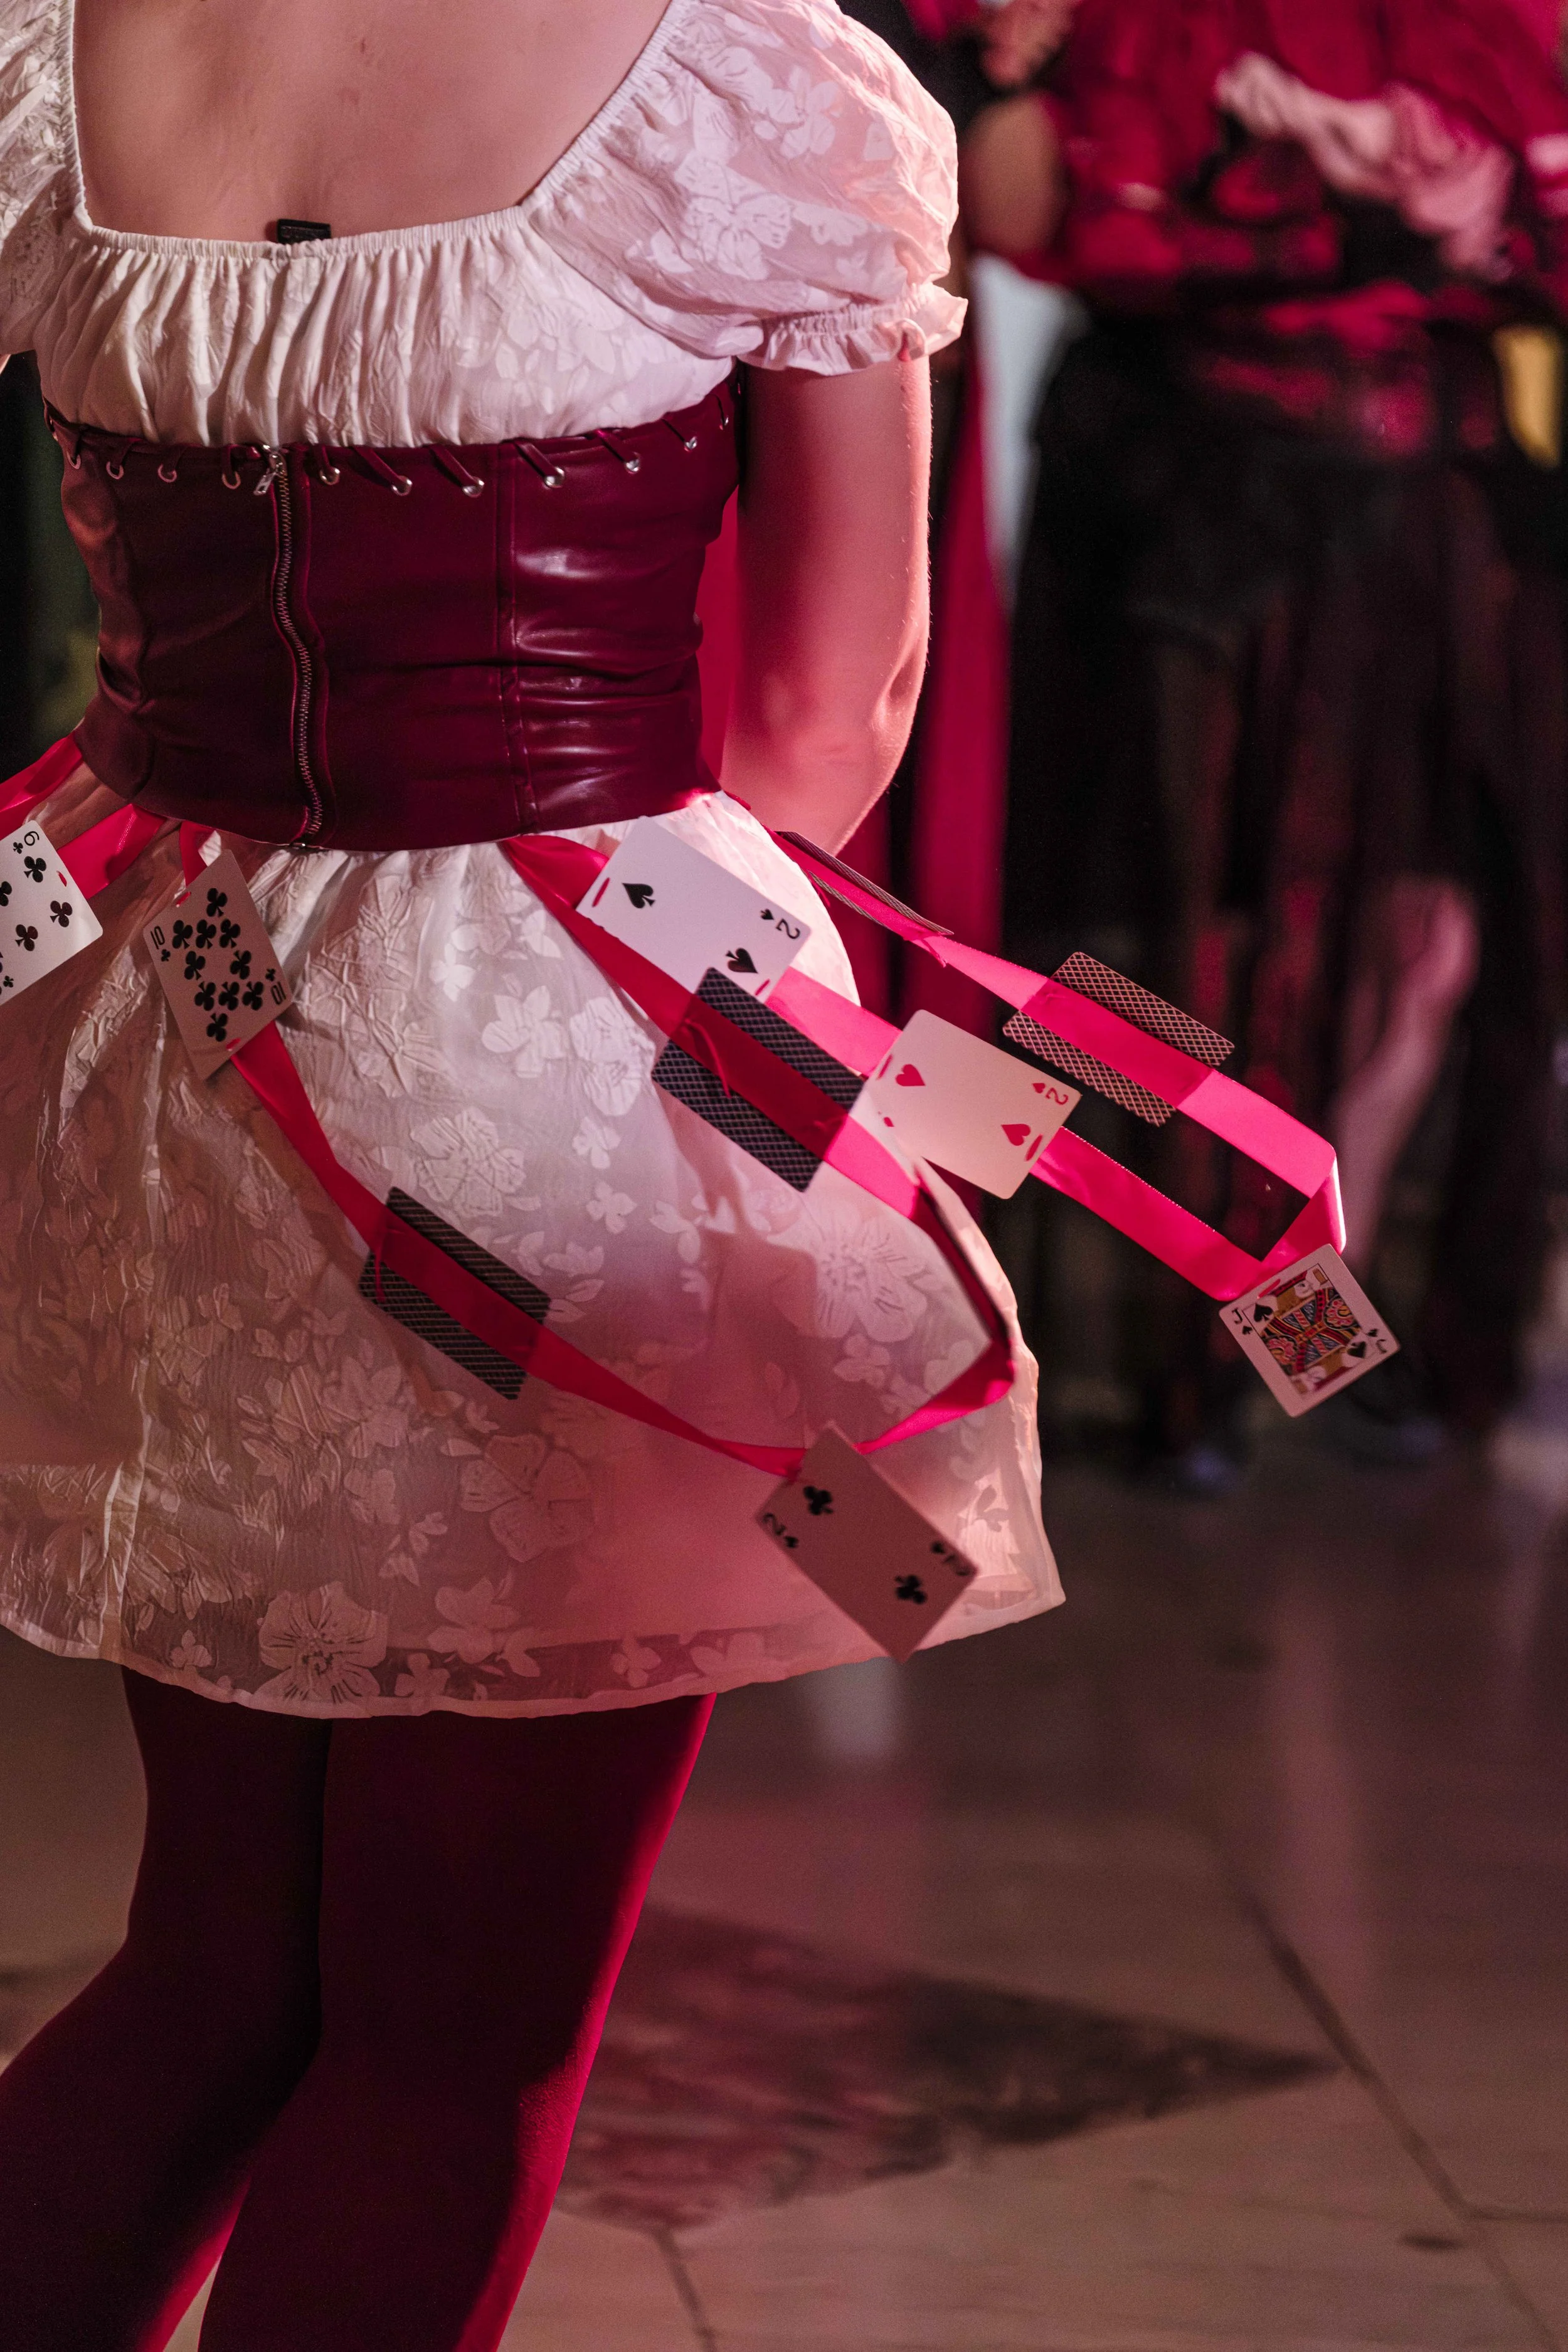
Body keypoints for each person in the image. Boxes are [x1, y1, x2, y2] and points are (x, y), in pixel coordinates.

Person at [0, 1, 1060, 2343]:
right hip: (565, 1077)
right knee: (462, 2021)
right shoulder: (760, 79)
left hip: (165, 1030)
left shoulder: (64, 52)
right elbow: (828, 712)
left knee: (213, 1960)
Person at [1004, 0, 1568, 1473]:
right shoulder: (1160, 24)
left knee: (1423, 949)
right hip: (1215, 530)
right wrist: (1355, 237)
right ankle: (1194, 1363)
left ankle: (1294, 1338)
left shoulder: (1500, 28)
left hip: (1434, 531)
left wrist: (1483, 235)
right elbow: (1063, 230)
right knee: (1206, 960)